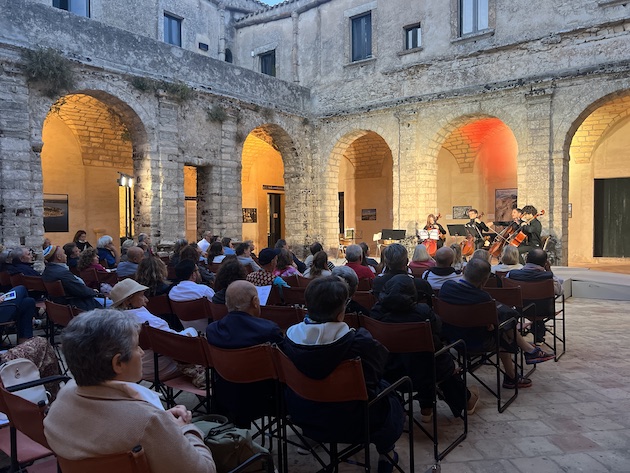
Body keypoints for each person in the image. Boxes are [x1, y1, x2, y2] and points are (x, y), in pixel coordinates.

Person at [43, 309, 216, 473]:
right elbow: (204, 470)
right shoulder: (147, 421)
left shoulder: (64, 395)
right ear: (118, 363)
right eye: (136, 346)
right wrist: (185, 428)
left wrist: (164, 423)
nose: (141, 353)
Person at [281, 276, 404, 472]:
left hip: (304, 413)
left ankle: (313, 437)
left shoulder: (288, 339)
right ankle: (386, 452)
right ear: (341, 311)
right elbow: (376, 373)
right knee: (388, 395)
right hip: (355, 421)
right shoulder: (359, 343)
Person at [370, 275, 479, 422]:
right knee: (431, 354)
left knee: (424, 353)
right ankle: (459, 401)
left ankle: (426, 407)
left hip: (390, 372)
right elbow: (439, 328)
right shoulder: (423, 312)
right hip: (426, 373)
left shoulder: (376, 313)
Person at [438, 258, 555, 389]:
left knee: (503, 325)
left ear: (464, 270)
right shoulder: (483, 298)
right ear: (484, 281)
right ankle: (514, 373)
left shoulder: (446, 287)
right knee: (504, 330)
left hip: (451, 340)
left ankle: (527, 352)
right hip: (476, 342)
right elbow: (491, 325)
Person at [206, 281, 283, 427]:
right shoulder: (268, 331)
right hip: (265, 399)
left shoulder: (213, 330)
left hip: (224, 395)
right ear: (255, 302)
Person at [110, 279, 203, 387]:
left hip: (134, 367)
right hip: (160, 367)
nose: (146, 300)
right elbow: (176, 344)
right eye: (141, 295)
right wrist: (191, 332)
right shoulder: (147, 321)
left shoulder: (115, 322)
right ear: (128, 301)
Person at [506, 249, 563, 343]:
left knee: (530, 304)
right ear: (545, 263)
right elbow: (560, 292)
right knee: (537, 304)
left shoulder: (512, 274)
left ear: (526, 260)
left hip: (520, 310)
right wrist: (549, 271)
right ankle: (539, 337)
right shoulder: (548, 277)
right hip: (544, 311)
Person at [42, 245, 103, 311]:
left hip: (61, 306)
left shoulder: (47, 272)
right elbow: (81, 291)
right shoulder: (63, 273)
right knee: (111, 304)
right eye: (64, 253)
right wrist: (94, 292)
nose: (66, 255)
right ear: (59, 257)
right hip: (77, 306)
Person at [168, 260, 215, 332]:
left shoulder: (172, 293)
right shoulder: (204, 291)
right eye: (198, 271)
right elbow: (217, 308)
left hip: (187, 332)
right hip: (210, 332)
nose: (199, 273)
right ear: (193, 274)